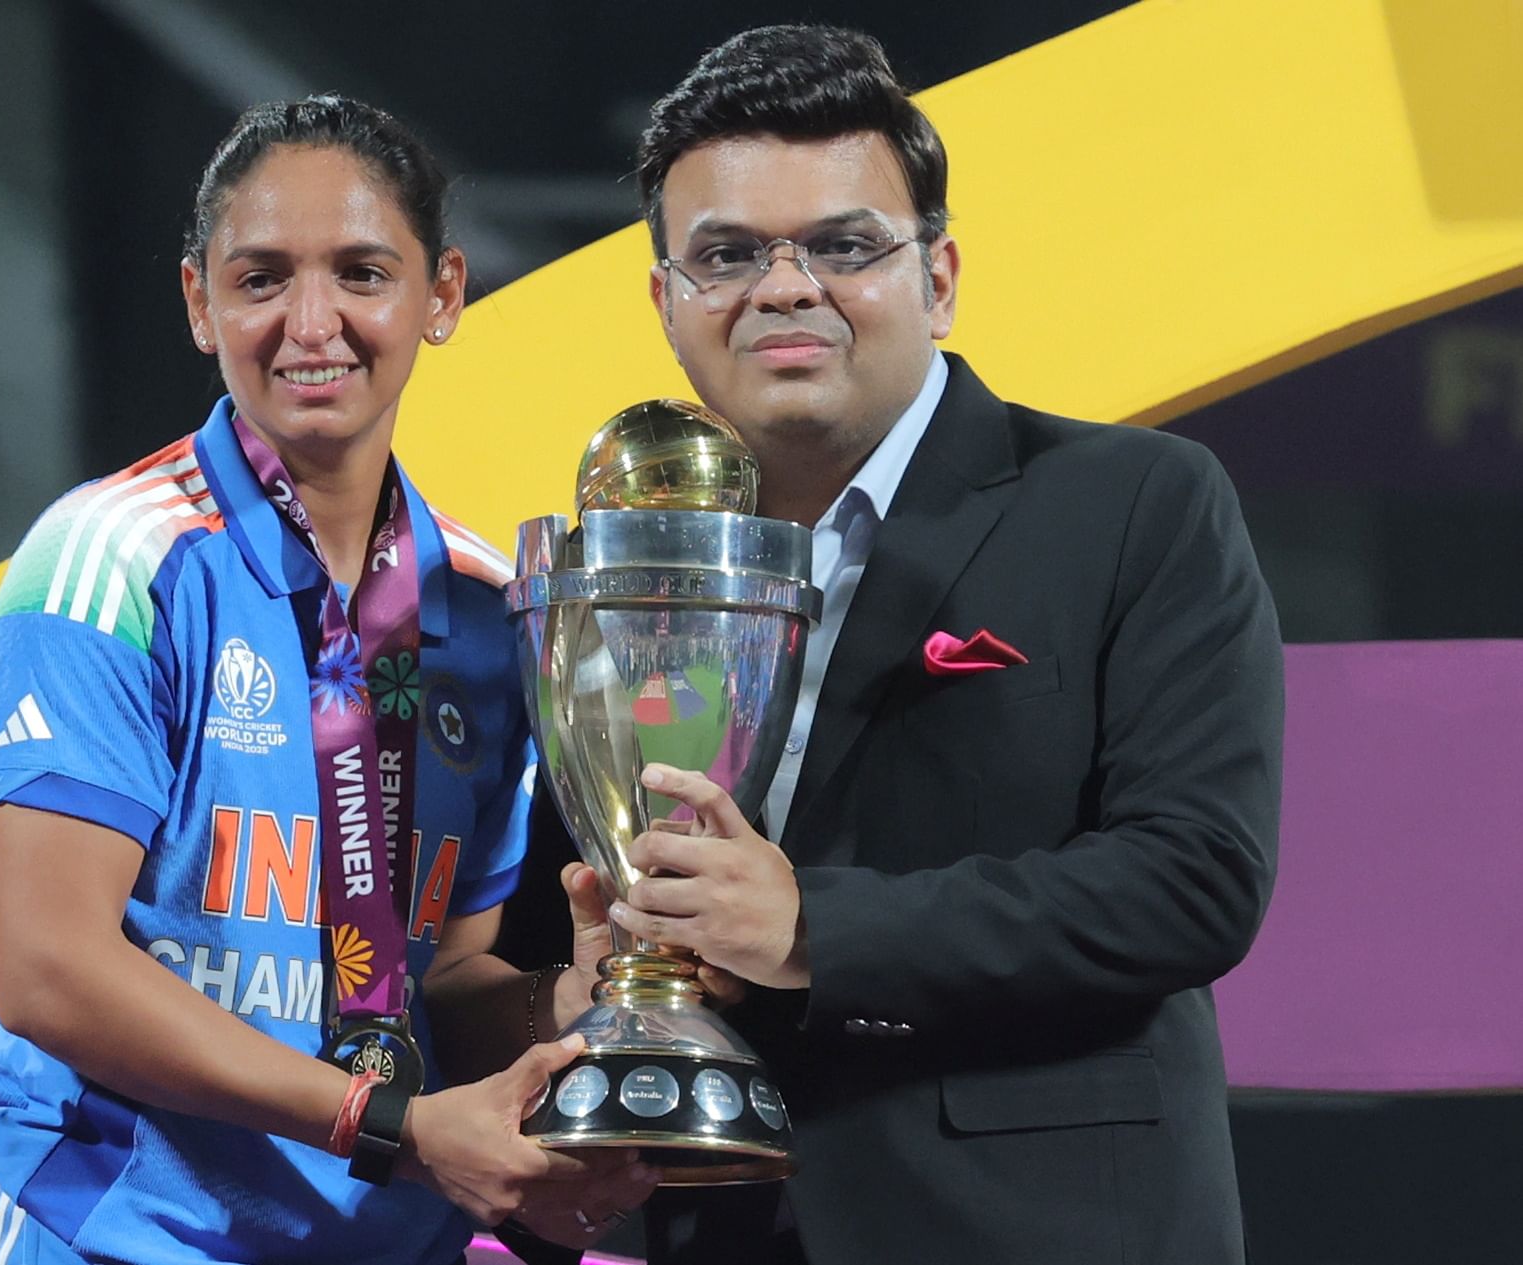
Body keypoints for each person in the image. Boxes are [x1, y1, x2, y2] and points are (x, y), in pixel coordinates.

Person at [499, 25, 1284, 1265]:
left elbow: (1192, 878)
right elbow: (543, 923)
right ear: (666, 300)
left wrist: (812, 927)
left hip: (1045, 1230)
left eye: (844, 245)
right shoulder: (623, 569)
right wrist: (593, 984)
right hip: (715, 1225)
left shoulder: (1136, 500)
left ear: (940, 275)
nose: (784, 287)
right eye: (727, 254)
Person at [0, 95, 654, 1265]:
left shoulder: (486, 609)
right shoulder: (110, 559)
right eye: (262, 278)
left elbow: (438, 976)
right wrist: (394, 1127)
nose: (312, 321)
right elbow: (49, 971)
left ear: (442, 295)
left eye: (362, 272)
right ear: (201, 302)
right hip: (117, 1236)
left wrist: (575, 1002)